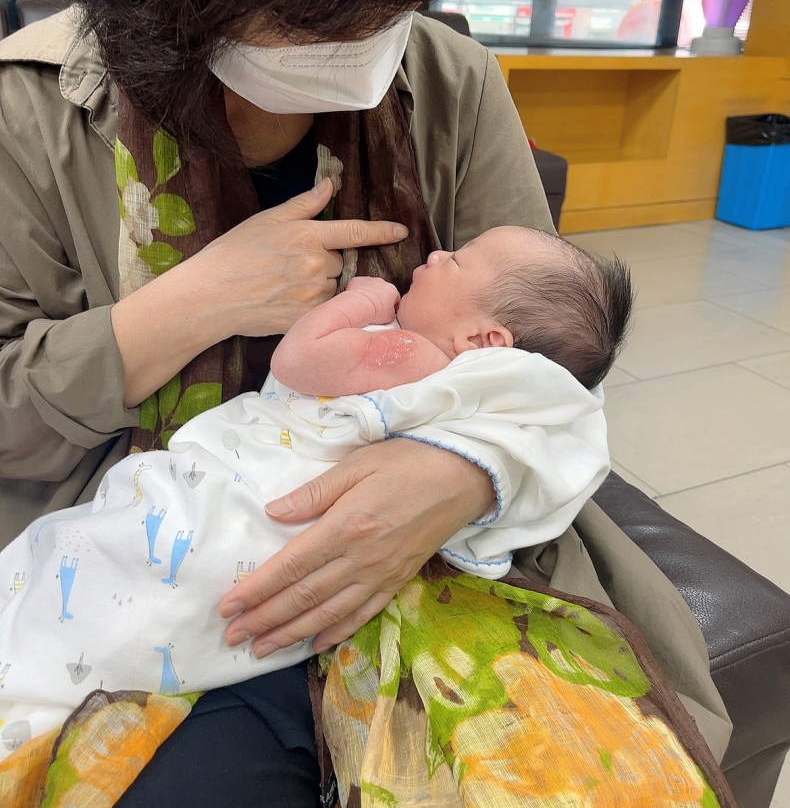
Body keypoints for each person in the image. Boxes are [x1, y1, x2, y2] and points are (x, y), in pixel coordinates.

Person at [0, 0, 730, 808]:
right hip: (172, 561)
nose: (365, 37)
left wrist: (459, 476)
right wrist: (183, 308)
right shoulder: (29, 114)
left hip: (437, 552)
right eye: (313, 3)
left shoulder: (451, 83)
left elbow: (554, 361)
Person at [0, 226, 628, 751]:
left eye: (456, 262)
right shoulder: (500, 402)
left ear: (484, 341)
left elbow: (299, 360)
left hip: (247, 514)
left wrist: (361, 300)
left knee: (92, 563)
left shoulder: (414, 356)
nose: (436, 254)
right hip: (294, 548)